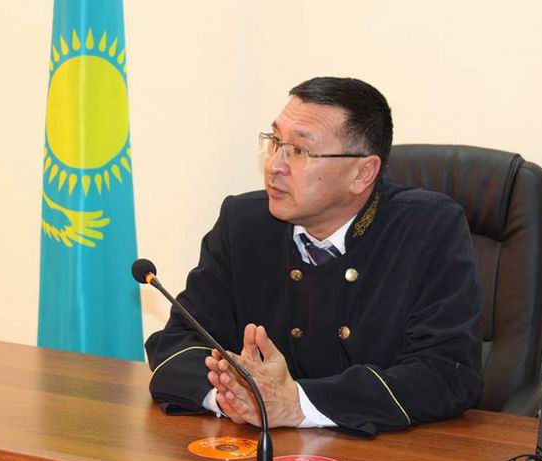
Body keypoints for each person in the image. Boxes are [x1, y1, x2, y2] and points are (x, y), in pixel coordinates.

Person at [144, 77, 483, 437]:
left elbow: (447, 373)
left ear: (362, 173)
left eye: (300, 151)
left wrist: (298, 404)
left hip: (384, 451)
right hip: (256, 447)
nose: (274, 165)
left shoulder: (427, 228)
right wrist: (232, 396)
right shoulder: (243, 223)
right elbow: (177, 343)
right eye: (275, 142)